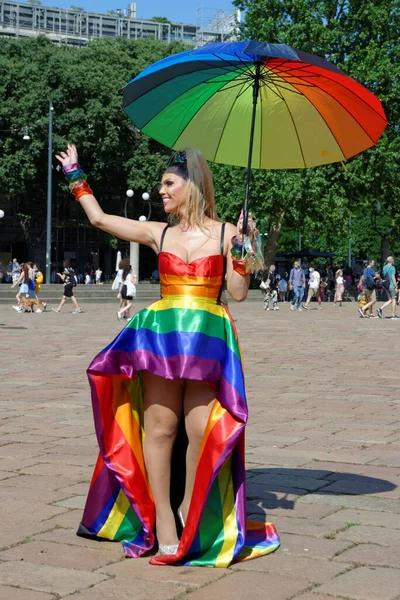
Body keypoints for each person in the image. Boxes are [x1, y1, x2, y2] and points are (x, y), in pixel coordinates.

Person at [55, 143, 279, 566]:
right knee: (160, 428)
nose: (161, 191)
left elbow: (238, 293)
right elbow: (101, 219)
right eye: (161, 184)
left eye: (168, 183)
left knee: (202, 430)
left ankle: (188, 510)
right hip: (163, 338)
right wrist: (75, 175)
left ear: (191, 185)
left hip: (208, 340)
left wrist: (245, 249)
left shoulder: (227, 232)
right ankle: (163, 521)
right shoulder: (159, 233)